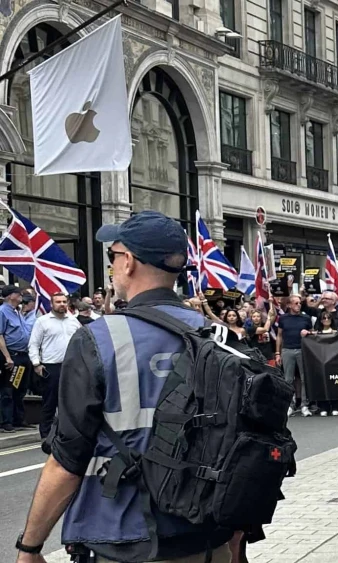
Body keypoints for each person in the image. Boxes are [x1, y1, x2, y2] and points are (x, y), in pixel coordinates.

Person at [15, 210, 234, 563]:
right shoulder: (220, 337)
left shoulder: (98, 339)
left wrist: (30, 547)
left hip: (123, 536)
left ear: (129, 262)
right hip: (208, 538)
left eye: (112, 256)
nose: (113, 266)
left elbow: (67, 461)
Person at [27, 292, 82, 445]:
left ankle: (66, 431)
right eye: (58, 302)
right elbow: (33, 344)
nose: (62, 304)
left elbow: (81, 341)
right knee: (50, 401)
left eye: (64, 301)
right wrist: (36, 364)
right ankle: (45, 433)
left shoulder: (73, 321)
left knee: (70, 401)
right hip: (51, 366)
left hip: (71, 365)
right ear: (52, 304)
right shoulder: (42, 322)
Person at [0, 285, 34, 433]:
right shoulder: (2, 312)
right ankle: (6, 421)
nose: (21, 296)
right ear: (10, 296)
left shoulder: (17, 312)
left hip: (23, 355)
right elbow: (0, 335)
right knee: (8, 389)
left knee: (20, 389)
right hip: (12, 356)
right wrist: (7, 357)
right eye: (18, 294)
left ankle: (18, 419)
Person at [275, 295, 315, 418]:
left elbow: (313, 333)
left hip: (303, 350)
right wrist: (278, 353)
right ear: (289, 305)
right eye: (296, 303)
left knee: (304, 379)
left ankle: (304, 405)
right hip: (287, 350)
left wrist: (308, 332)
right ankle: (290, 405)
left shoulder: (306, 318)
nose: (298, 305)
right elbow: (279, 335)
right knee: (288, 379)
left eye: (299, 303)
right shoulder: (283, 318)